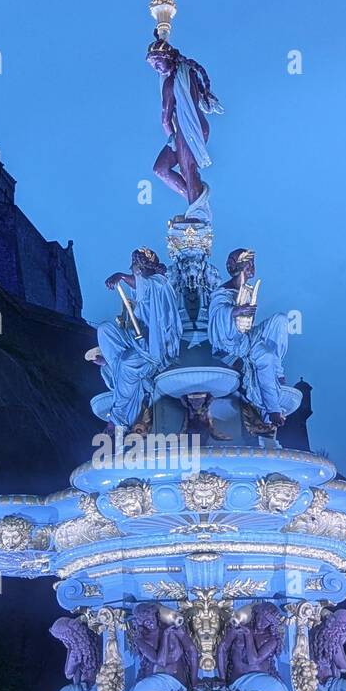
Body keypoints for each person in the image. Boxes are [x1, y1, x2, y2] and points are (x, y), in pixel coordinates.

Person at [96, 248, 182, 431]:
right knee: (105, 330)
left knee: (127, 364)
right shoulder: (145, 286)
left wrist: (122, 276)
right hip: (139, 340)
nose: (133, 271)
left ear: (142, 268)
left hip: (156, 348)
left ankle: (119, 422)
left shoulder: (160, 283)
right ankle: (113, 363)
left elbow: (145, 287)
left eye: (135, 267)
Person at [208, 248, 289, 427]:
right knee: (264, 356)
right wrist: (236, 310)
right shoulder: (223, 291)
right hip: (230, 345)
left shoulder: (247, 289)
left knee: (281, 320)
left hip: (247, 338)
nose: (253, 267)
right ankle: (272, 409)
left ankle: (277, 369)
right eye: (248, 264)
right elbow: (215, 319)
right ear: (238, 267)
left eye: (253, 263)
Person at [147, 38, 222, 212]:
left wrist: (171, 138)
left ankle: (198, 212)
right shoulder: (186, 73)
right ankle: (198, 203)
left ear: (168, 58)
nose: (157, 69)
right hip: (193, 125)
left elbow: (165, 118)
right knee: (162, 168)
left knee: (188, 169)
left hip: (186, 128)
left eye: (158, 64)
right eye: (154, 67)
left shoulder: (173, 81)